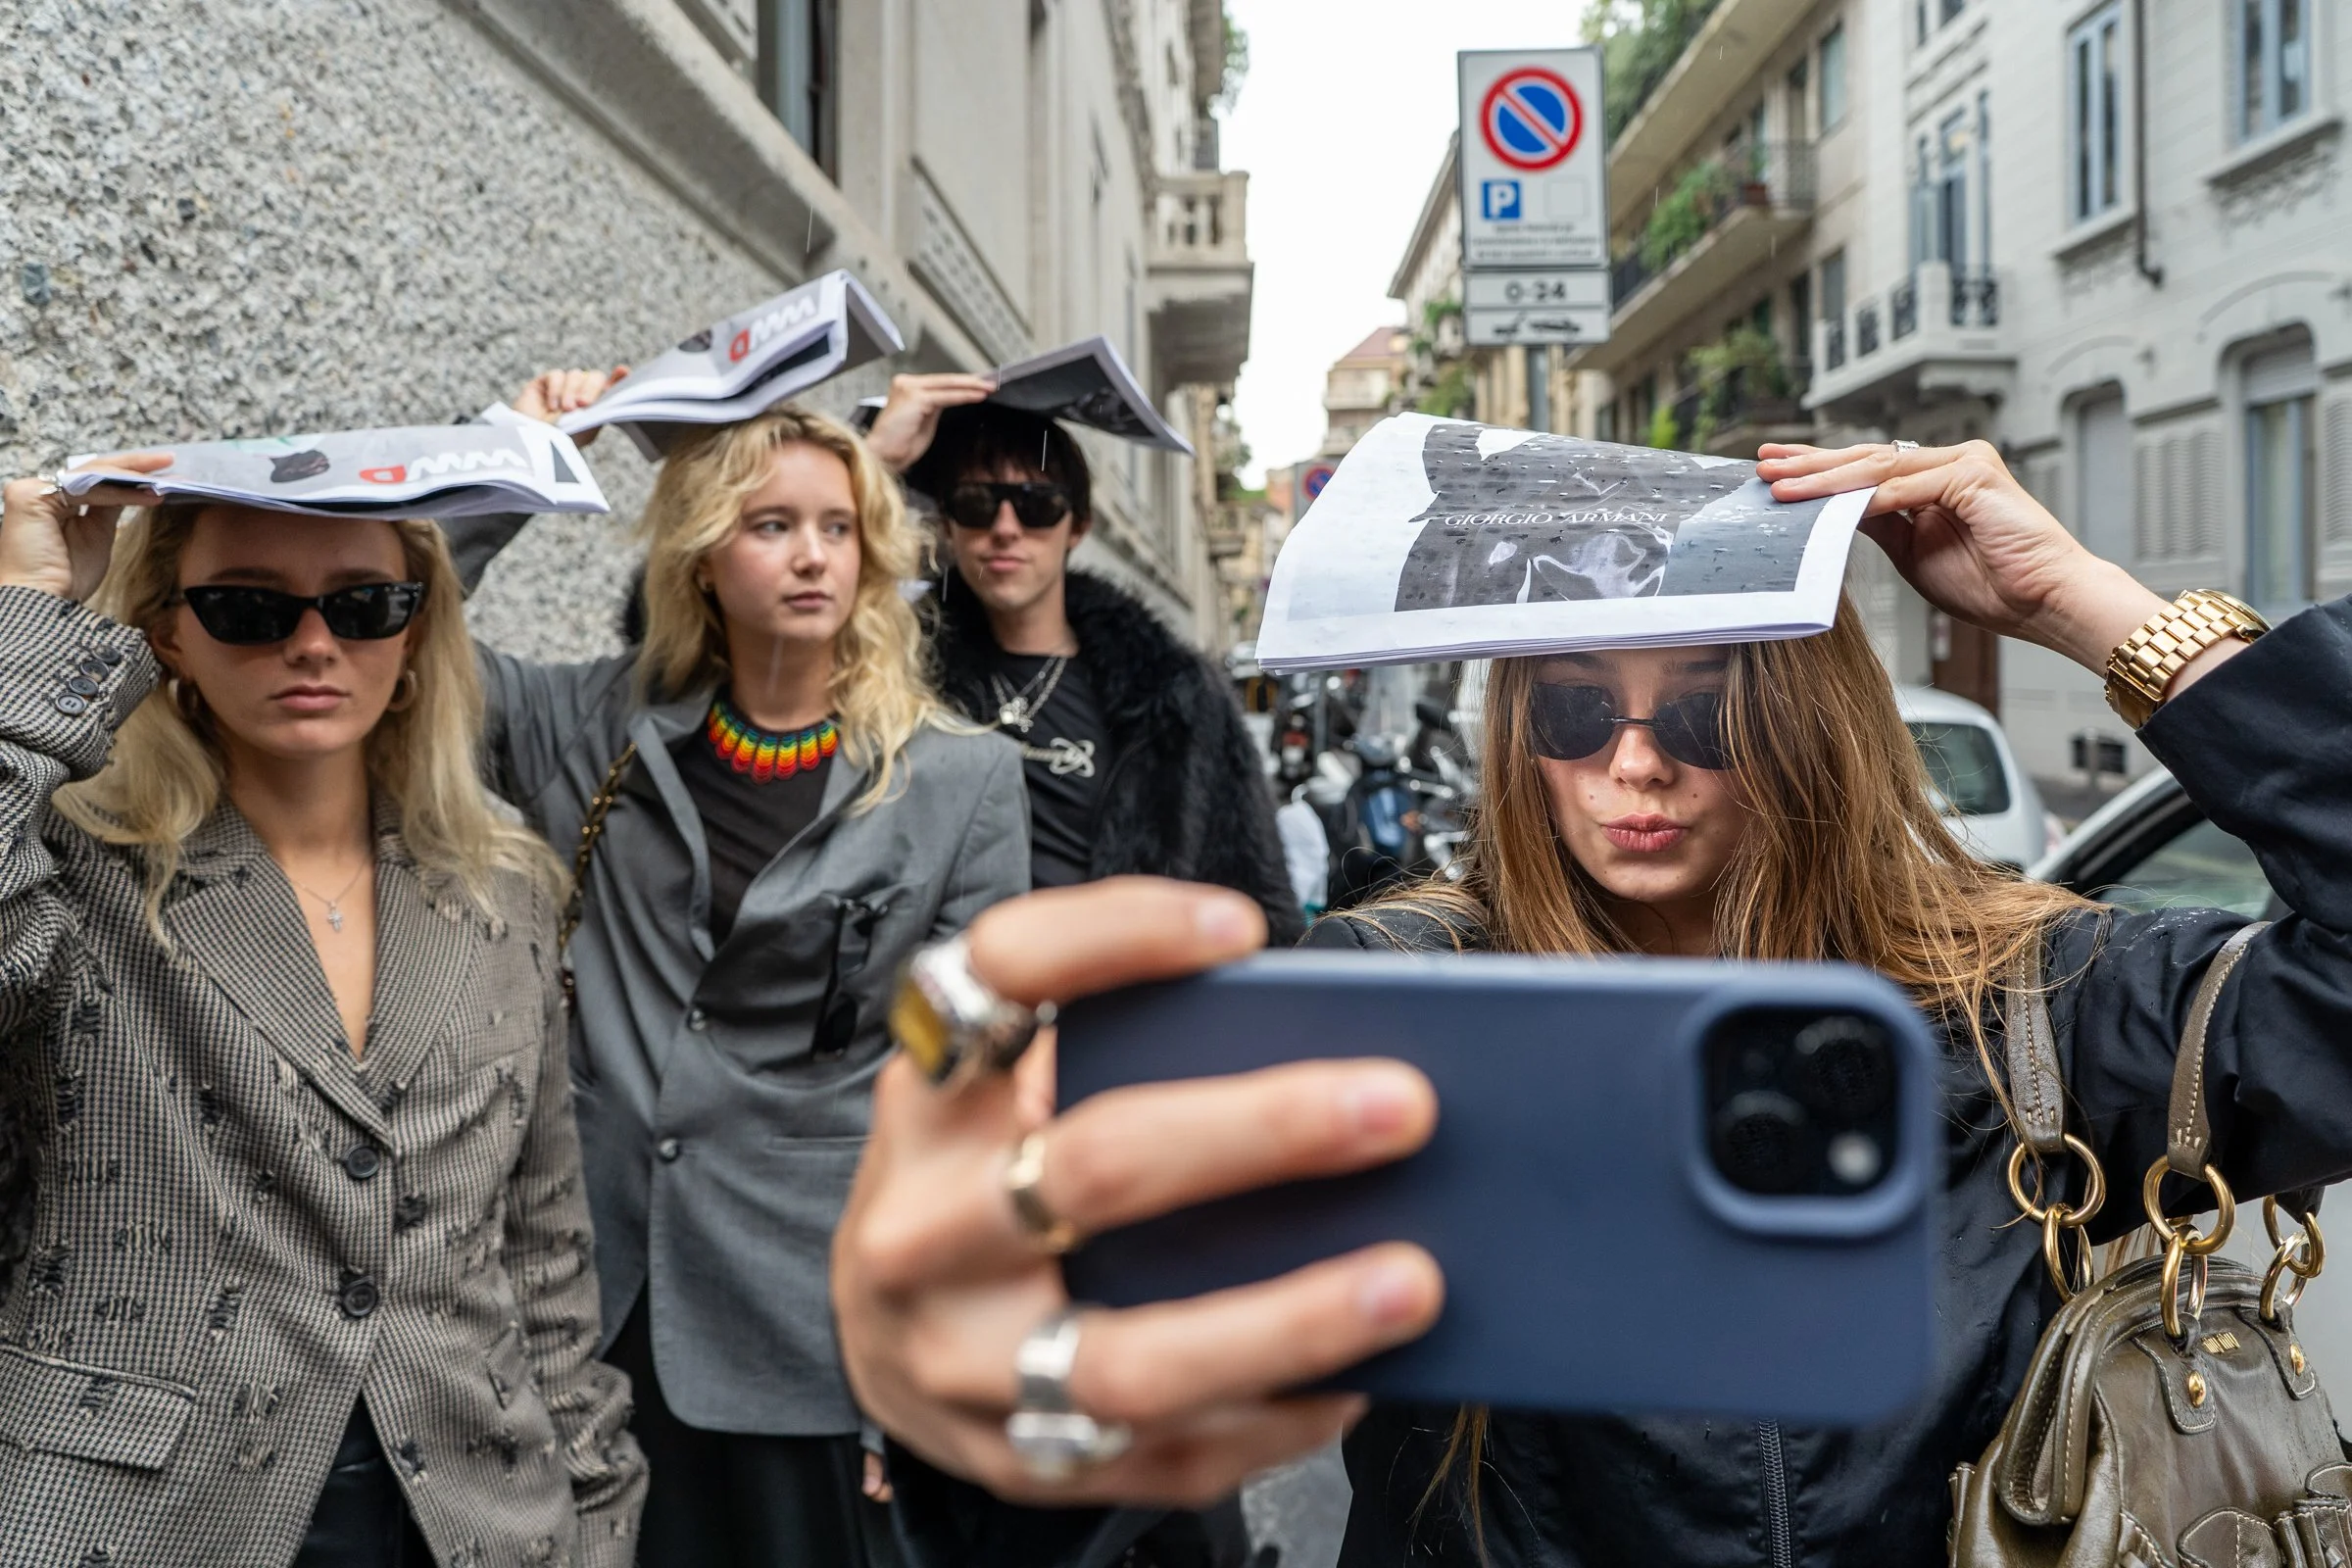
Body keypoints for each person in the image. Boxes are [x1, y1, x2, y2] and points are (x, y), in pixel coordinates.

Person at [828, 437, 2352, 1566]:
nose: (1635, 764)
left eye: (1700, 706)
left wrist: (2097, 612)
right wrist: (983, 1368)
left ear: (1806, 724)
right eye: (1573, 709)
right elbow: (1109, 1329)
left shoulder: (2033, 999)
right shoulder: (1410, 1004)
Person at [0, 462, 644, 1565]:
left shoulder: (503, 892)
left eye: (362, 606)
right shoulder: (71, 859)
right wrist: (28, 625)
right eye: (249, 608)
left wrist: (596, 1517)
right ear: (167, 634)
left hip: (470, 1513)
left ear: (414, 632)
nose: (312, 644)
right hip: (141, 1515)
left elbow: (541, 1254)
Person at [456, 369, 1029, 1568]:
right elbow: (391, 626)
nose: (812, 556)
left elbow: (968, 1095)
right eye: (772, 526)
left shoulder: (961, 782)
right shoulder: (592, 728)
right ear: (704, 555)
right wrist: (521, 446)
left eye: (837, 528)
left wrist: (909, 1359)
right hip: (580, 1305)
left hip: (806, 1324)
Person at [866, 375, 1300, 943]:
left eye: (1037, 506)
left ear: (1078, 526)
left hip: (1124, 1015)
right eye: (976, 504)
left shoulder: (1177, 697)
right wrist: (872, 463)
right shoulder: (892, 670)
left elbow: (1257, 900)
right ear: (947, 522)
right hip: (945, 1010)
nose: (1005, 529)